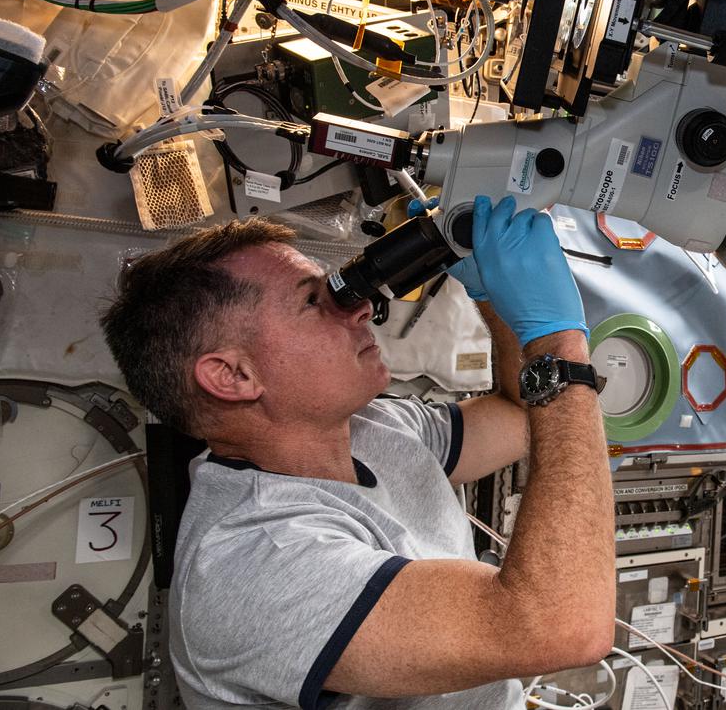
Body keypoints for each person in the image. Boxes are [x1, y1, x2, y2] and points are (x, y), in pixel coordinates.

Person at [100, 195, 616, 710]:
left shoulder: (375, 428)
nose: (363, 306)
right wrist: (558, 342)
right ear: (233, 376)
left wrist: (494, 298)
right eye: (310, 302)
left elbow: (517, 412)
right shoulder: (255, 559)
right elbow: (561, 626)